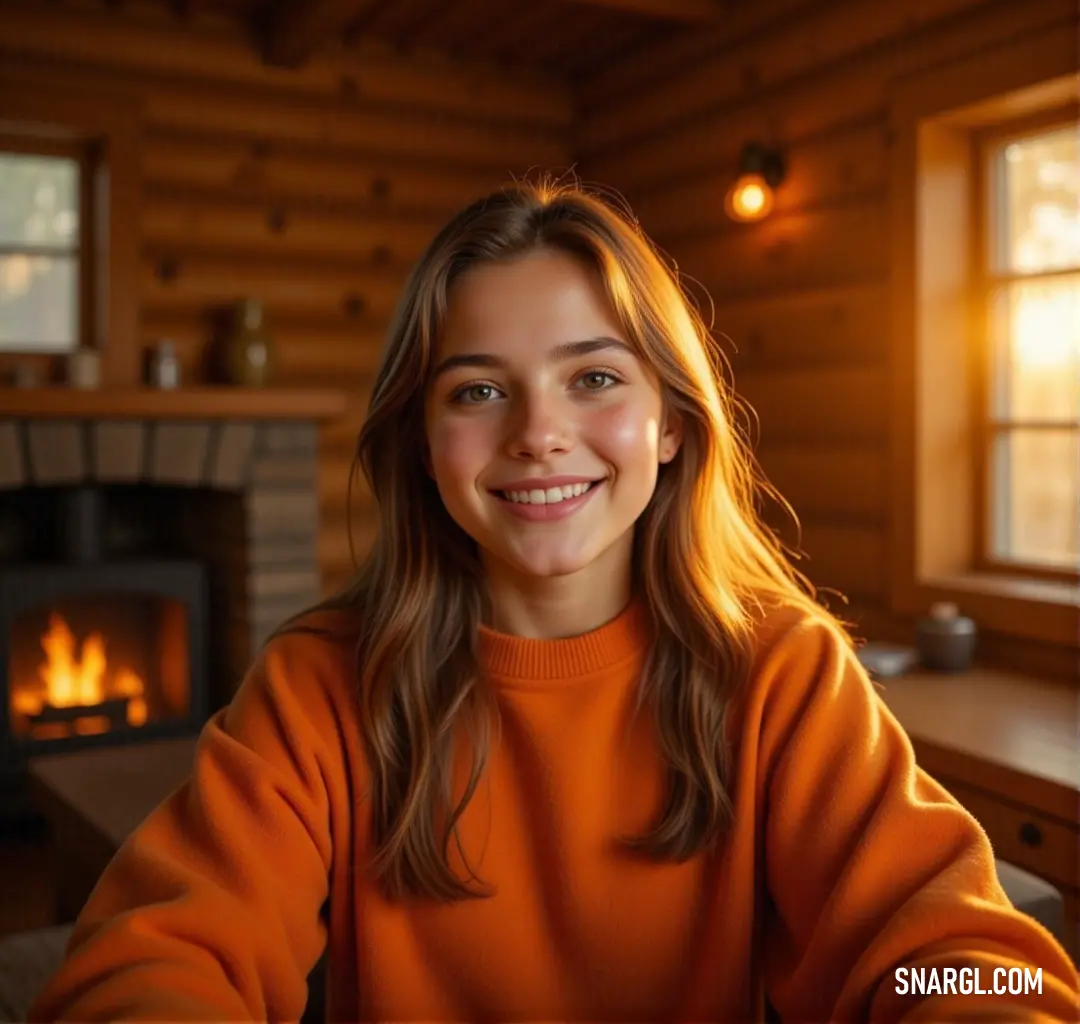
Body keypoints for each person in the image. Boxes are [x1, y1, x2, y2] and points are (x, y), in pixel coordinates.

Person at [28, 180, 1080, 1022]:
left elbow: (956, 961)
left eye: (594, 378)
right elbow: (154, 958)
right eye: (479, 390)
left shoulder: (781, 670)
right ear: (424, 446)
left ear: (672, 424)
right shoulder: (320, 686)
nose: (538, 432)